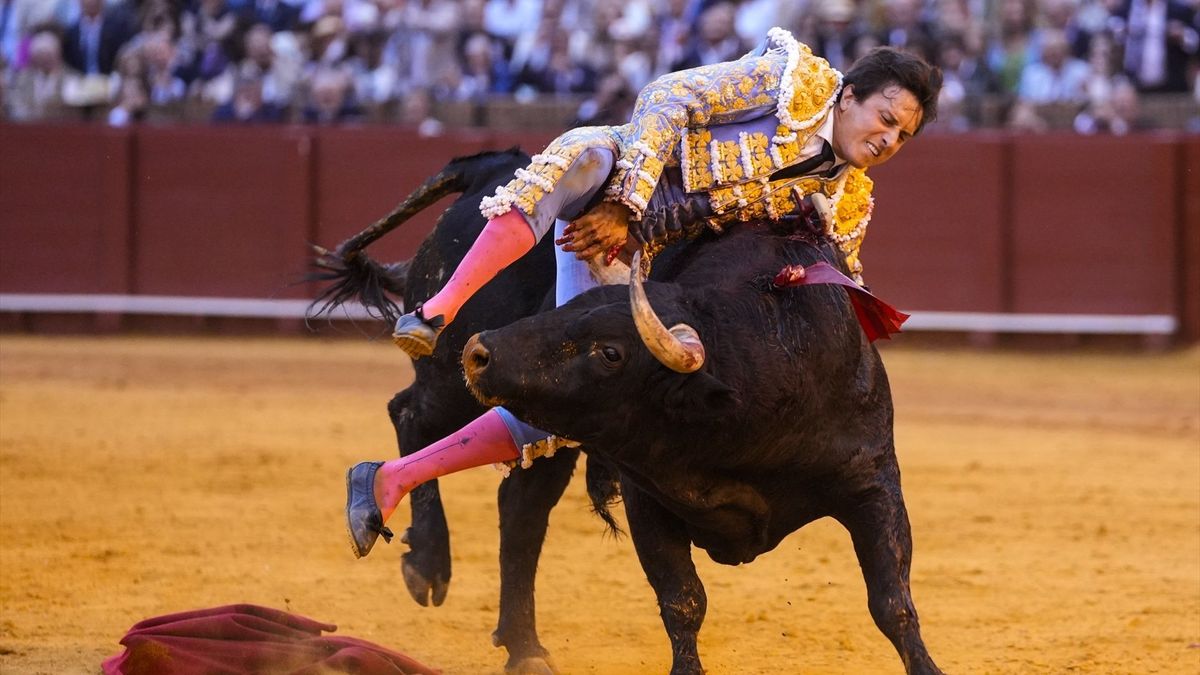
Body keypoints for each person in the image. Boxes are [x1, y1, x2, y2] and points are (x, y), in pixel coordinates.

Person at [345, 27, 942, 559]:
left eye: (904, 135)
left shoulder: (847, 201)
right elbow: (667, 95)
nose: (890, 139)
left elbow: (834, 293)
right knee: (577, 161)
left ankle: (391, 477)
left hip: (634, 266)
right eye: (886, 118)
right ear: (849, 96)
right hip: (613, 181)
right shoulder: (792, 82)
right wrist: (624, 204)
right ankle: (437, 309)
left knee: (568, 408)